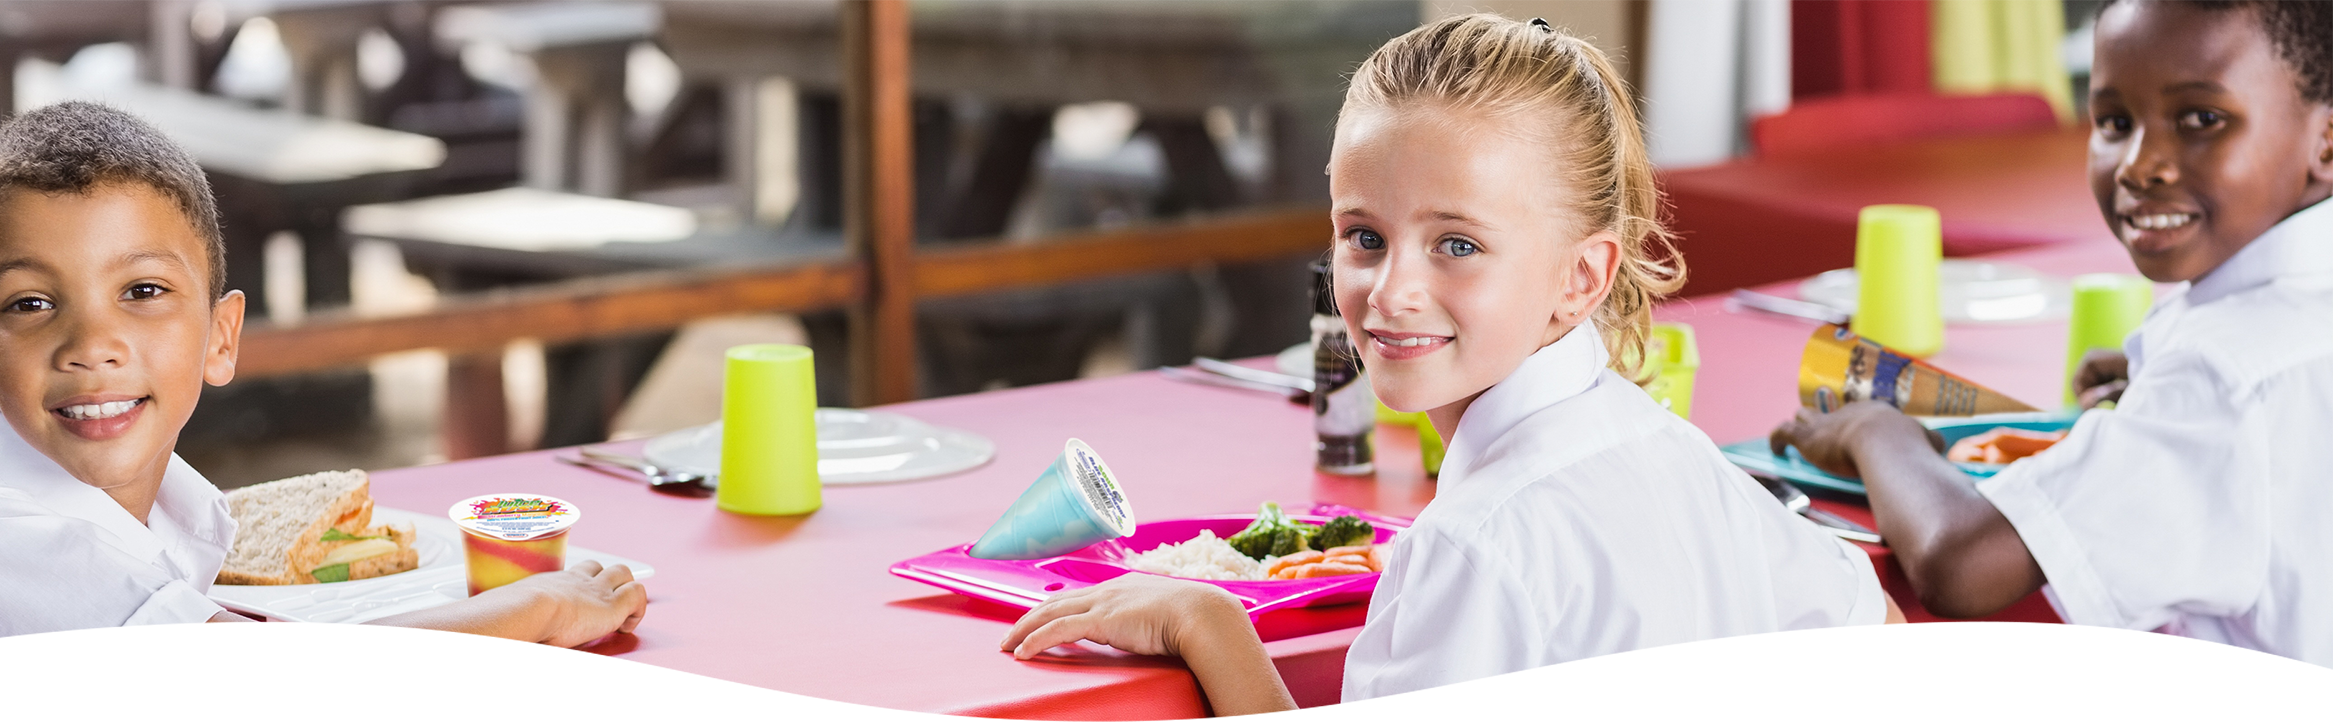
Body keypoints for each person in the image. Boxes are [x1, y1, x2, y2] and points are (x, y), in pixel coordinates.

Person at [1000, 14, 1892, 719]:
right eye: (1364, 236)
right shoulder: (1679, 455)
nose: (1391, 291)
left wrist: (1210, 622)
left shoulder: (1472, 547)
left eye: (1456, 244)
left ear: (1581, 278)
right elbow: (1868, 621)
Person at [0, 102, 647, 721]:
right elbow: (296, 693)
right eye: (33, 302)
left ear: (221, 338)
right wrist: (532, 607)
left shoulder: (170, 515)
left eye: (142, 291)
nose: (93, 342)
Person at [1772, 0, 2333, 715]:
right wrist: (2153, 400)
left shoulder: (2218, 377)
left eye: (2201, 120)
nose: (2140, 165)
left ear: (2325, 144)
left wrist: (1878, 432)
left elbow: (1961, 563)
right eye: (2114, 123)